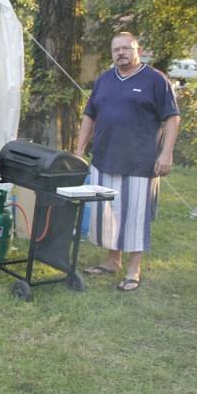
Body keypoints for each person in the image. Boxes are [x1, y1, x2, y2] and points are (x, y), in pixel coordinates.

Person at [77, 32, 181, 291]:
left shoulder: (156, 80)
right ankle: (113, 261)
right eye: (116, 50)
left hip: (140, 162)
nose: (120, 53)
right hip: (104, 158)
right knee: (108, 213)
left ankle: (134, 269)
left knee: (135, 216)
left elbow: (171, 117)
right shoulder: (104, 80)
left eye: (126, 48)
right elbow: (90, 115)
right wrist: (79, 150)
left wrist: (166, 153)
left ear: (138, 49)